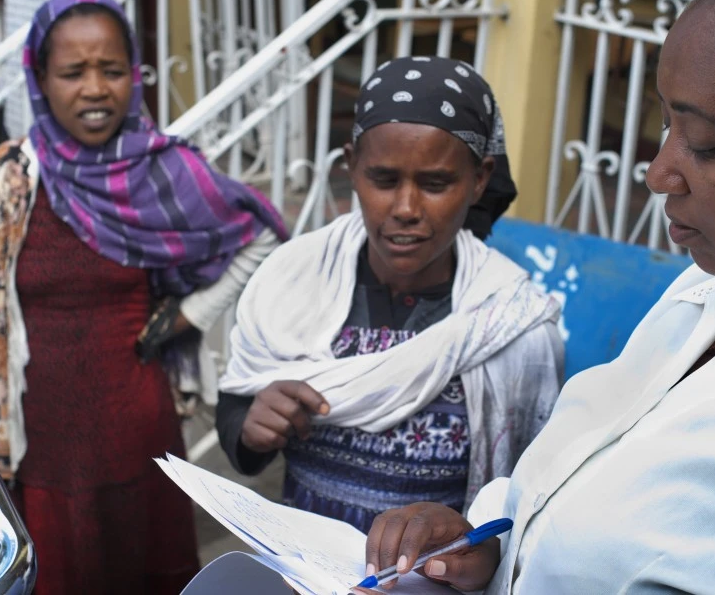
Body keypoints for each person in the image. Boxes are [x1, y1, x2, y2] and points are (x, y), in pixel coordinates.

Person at [357, 0, 715, 593]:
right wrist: (484, 544)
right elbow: (589, 506)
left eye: (703, 145)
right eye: (667, 124)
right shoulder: (709, 293)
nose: (659, 172)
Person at [0, 0, 288, 594]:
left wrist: (189, 314)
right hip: (43, 440)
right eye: (72, 72)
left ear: (134, 75)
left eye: (111, 70)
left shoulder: (164, 172)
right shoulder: (8, 184)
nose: (95, 88)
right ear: (39, 78)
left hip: (138, 431)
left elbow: (260, 233)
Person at [215, 56, 564, 534]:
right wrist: (252, 429)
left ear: (480, 178)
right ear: (351, 166)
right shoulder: (294, 283)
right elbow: (238, 408)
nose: (406, 208)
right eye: (383, 180)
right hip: (300, 568)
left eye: (436, 183)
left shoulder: (509, 321)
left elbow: (529, 494)